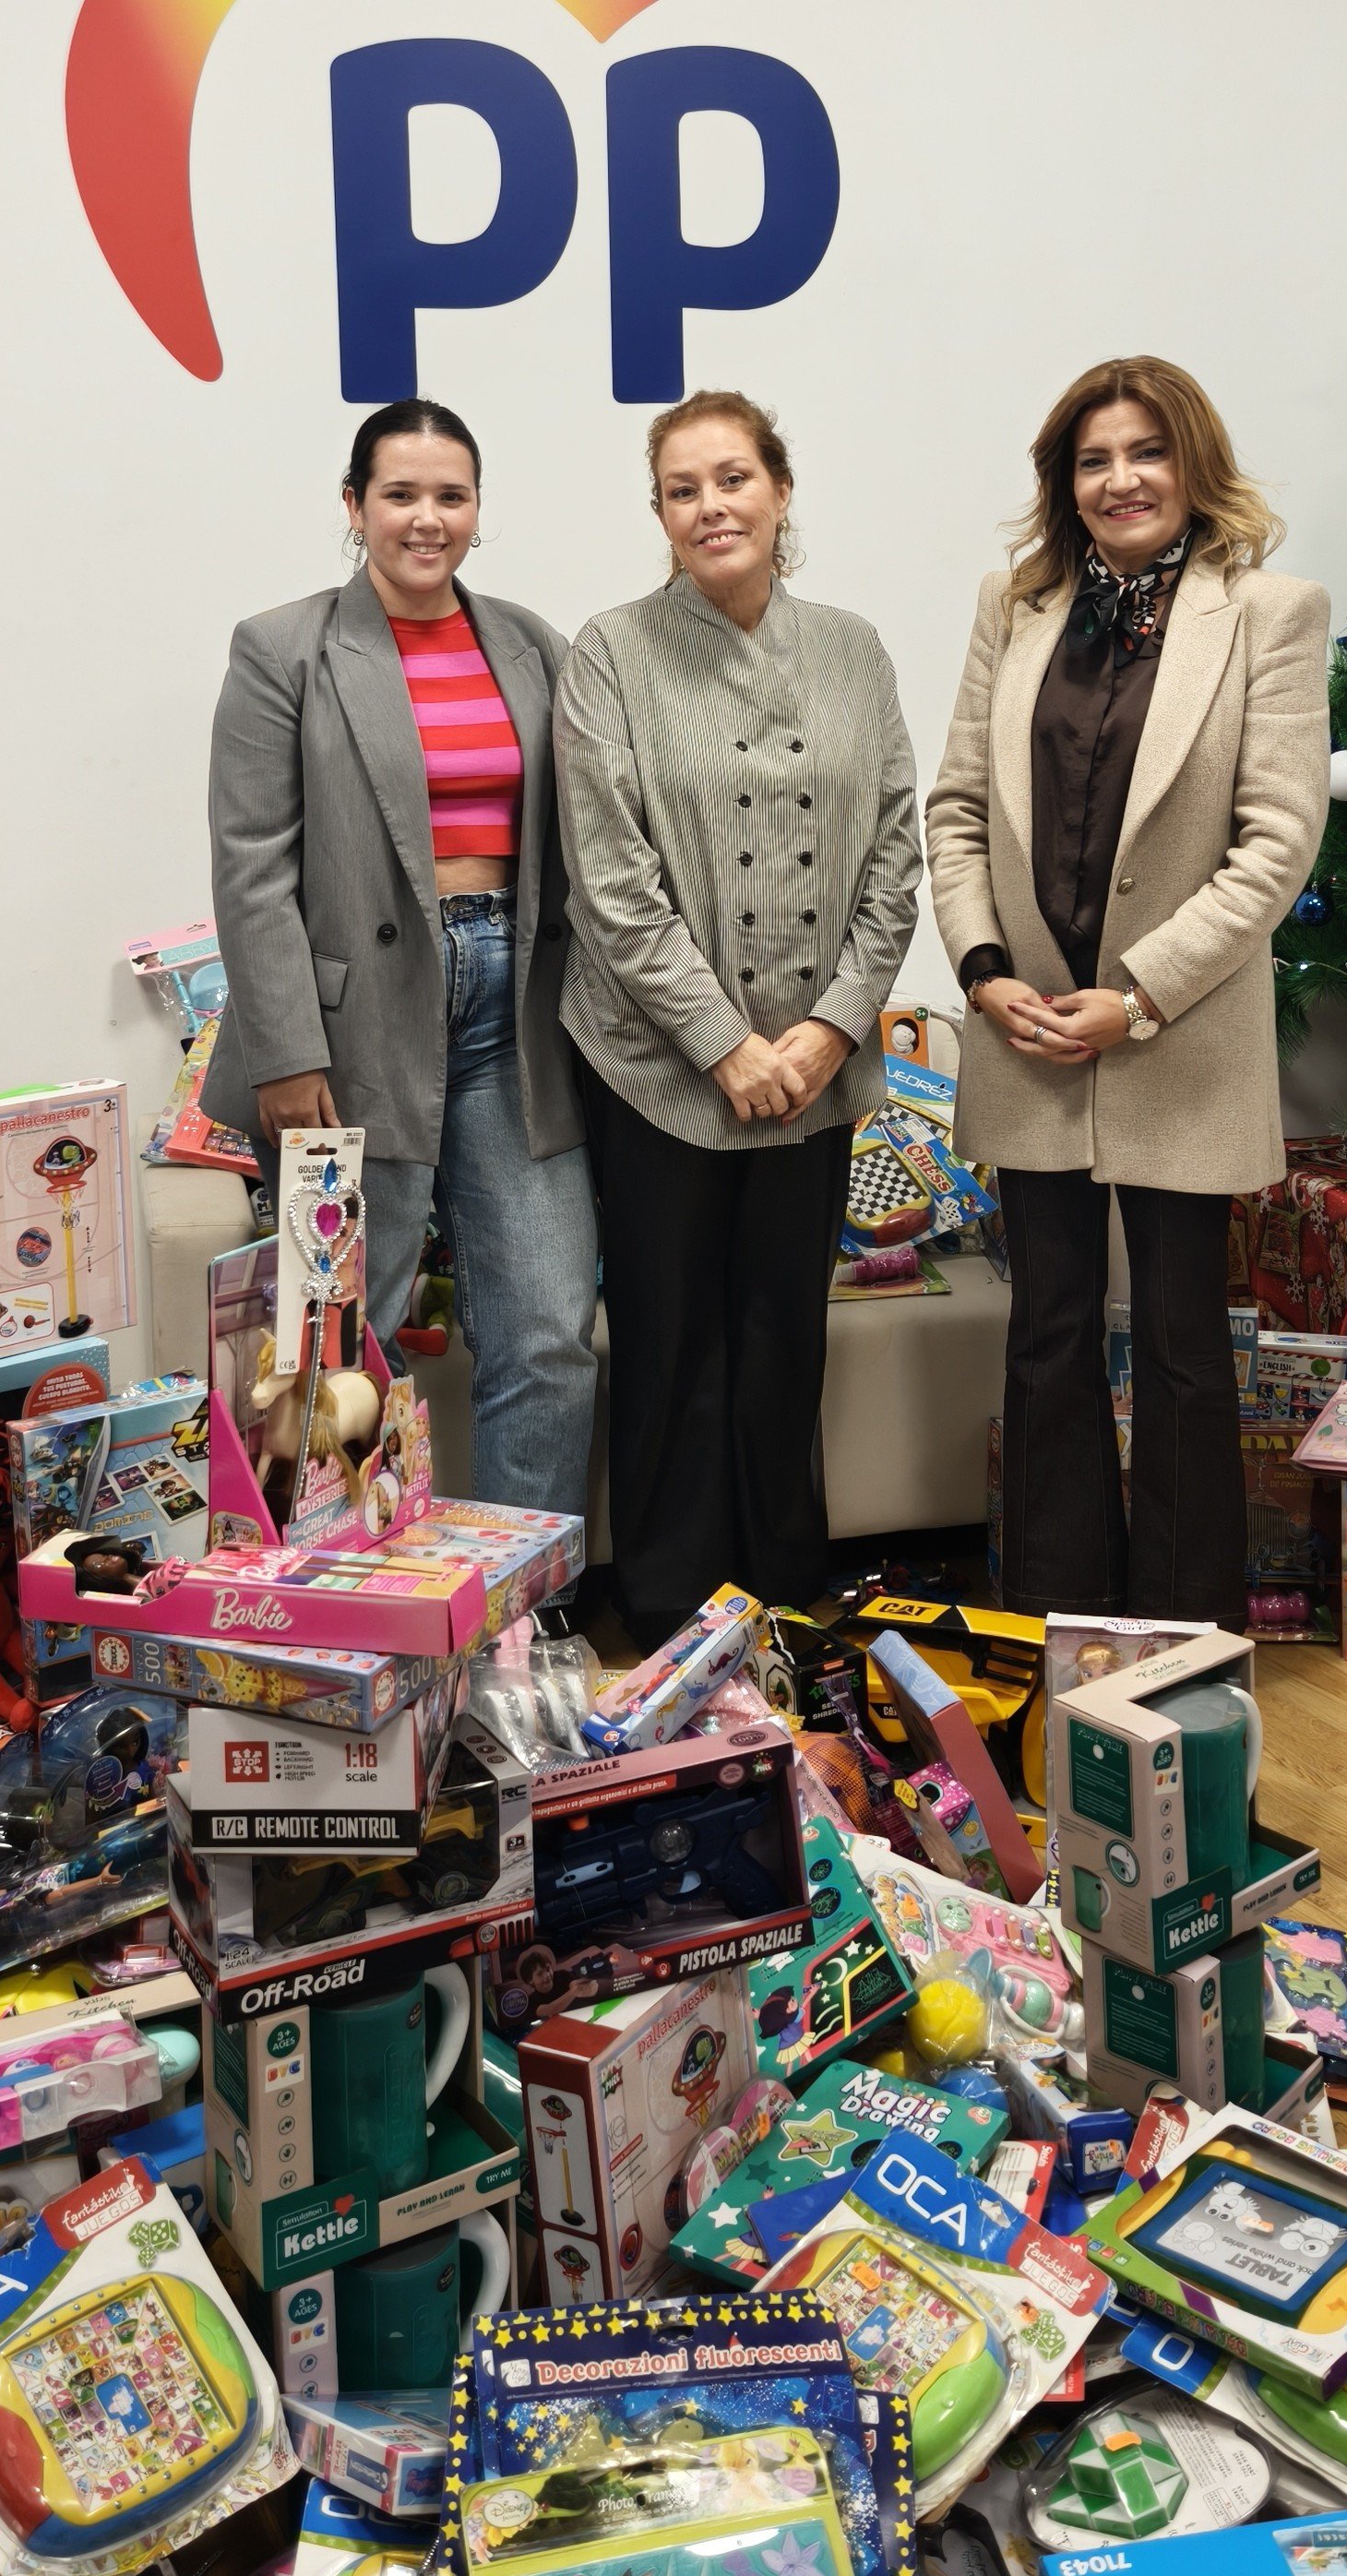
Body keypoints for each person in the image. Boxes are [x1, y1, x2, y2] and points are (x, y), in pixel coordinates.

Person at [927, 355, 1327, 1623]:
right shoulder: (1016, 604)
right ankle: (1054, 1620)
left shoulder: (1271, 610)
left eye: (1146, 452)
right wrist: (985, 975)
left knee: (1180, 1349)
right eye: (1093, 460)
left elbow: (1275, 844)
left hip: (1177, 1038)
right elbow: (953, 809)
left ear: (1193, 463)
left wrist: (1140, 996)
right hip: (1028, 1029)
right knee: (1043, 1338)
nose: (1121, 480)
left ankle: (1181, 1637)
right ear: (1066, 482)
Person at [554, 390, 920, 1646]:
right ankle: (665, 1597)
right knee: (666, 1336)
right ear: (658, 513)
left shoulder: (856, 650)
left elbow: (894, 857)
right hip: (662, 1069)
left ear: (779, 489)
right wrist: (724, 1043)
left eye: (733, 479)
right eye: (681, 489)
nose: (711, 506)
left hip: (817, 1069)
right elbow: (611, 882)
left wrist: (827, 1032)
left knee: (783, 1326)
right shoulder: (608, 653)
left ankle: (783, 1576)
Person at [201, 398, 597, 1517]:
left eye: (452, 496)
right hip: (352, 1026)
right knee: (337, 1344)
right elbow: (249, 863)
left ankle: (528, 1606)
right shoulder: (284, 646)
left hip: (514, 1012)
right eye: (401, 494)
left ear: (478, 510)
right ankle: (336, 1606)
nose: (428, 519)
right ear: (353, 505)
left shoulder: (530, 642)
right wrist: (283, 1048)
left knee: (549, 1331)